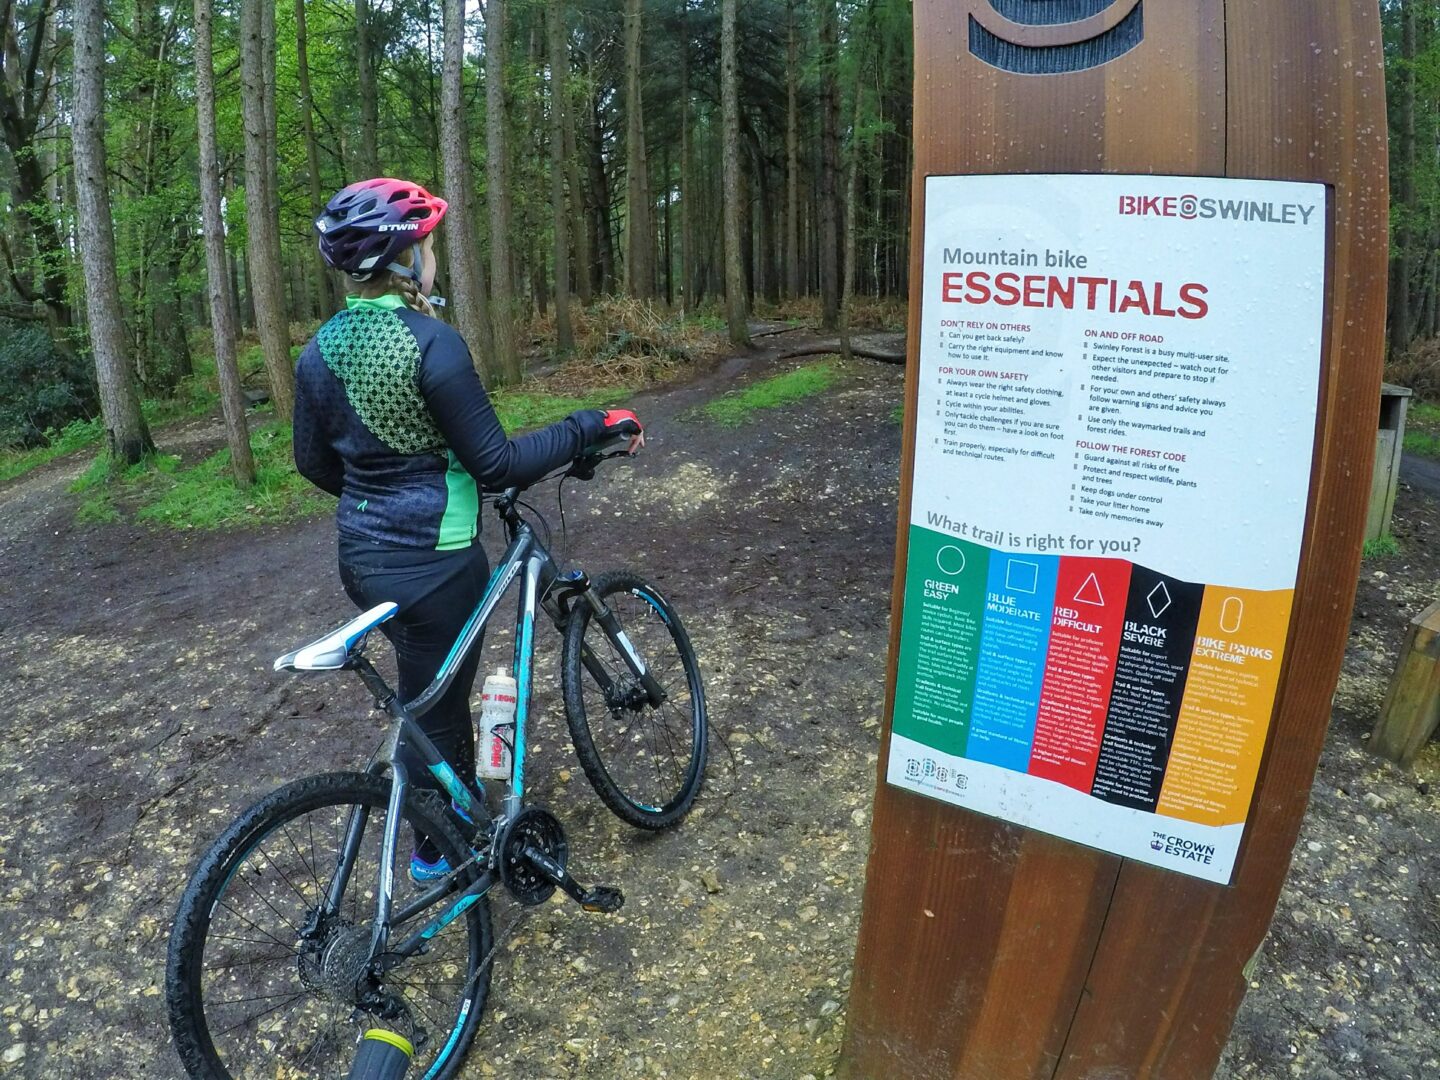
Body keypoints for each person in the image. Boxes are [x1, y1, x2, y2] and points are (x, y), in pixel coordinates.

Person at [292, 177, 641, 881]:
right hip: (436, 564)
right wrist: (589, 427)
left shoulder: (318, 351)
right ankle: (435, 856)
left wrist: (382, 490)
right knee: (437, 709)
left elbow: (314, 463)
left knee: (432, 692)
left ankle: (448, 825)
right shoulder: (432, 343)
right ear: (403, 258)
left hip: (360, 559)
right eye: (424, 244)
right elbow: (497, 466)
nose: (431, 256)